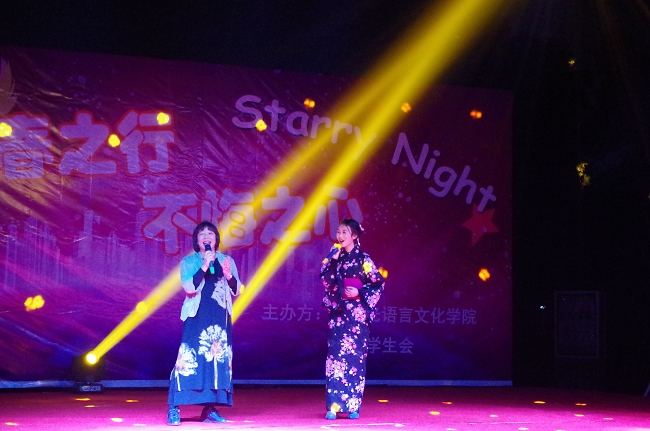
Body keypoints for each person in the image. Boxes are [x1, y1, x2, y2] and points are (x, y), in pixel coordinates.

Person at [167, 221, 242, 426]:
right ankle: (174, 406)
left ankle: (209, 409)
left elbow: (236, 289)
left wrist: (228, 275)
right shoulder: (189, 261)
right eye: (202, 234)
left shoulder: (227, 260)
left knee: (215, 362)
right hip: (197, 315)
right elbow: (189, 287)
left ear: (216, 239)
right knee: (188, 358)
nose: (207, 237)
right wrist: (204, 265)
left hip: (219, 317)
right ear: (197, 240)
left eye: (210, 233)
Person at [320, 218, 385, 420]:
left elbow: (377, 283)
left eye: (344, 233)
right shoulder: (335, 257)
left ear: (354, 236)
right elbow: (326, 281)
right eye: (338, 232)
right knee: (335, 358)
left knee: (355, 358)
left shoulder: (364, 259)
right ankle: (333, 406)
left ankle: (353, 405)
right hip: (339, 314)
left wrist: (359, 291)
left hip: (357, 314)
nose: (340, 236)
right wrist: (332, 261)